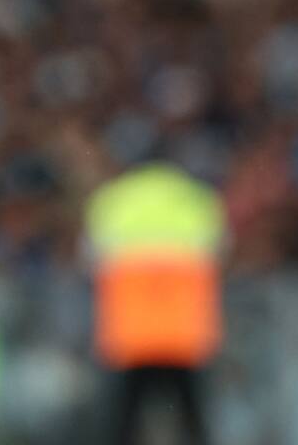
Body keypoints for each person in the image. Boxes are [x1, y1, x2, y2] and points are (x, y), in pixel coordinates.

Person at [84, 162, 226, 445]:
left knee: (121, 425)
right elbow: (220, 253)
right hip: (185, 337)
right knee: (195, 424)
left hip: (131, 338)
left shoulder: (112, 201)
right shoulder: (198, 200)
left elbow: (90, 258)